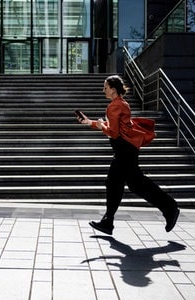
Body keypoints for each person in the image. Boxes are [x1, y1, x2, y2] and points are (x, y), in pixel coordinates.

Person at [76, 75, 180, 235]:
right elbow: (115, 128)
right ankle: (108, 221)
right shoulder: (121, 104)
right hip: (126, 150)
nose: (103, 90)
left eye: (105, 87)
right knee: (123, 183)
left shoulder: (114, 106)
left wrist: (99, 124)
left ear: (113, 89)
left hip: (124, 150)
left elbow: (114, 133)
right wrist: (90, 122)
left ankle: (170, 208)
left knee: (123, 183)